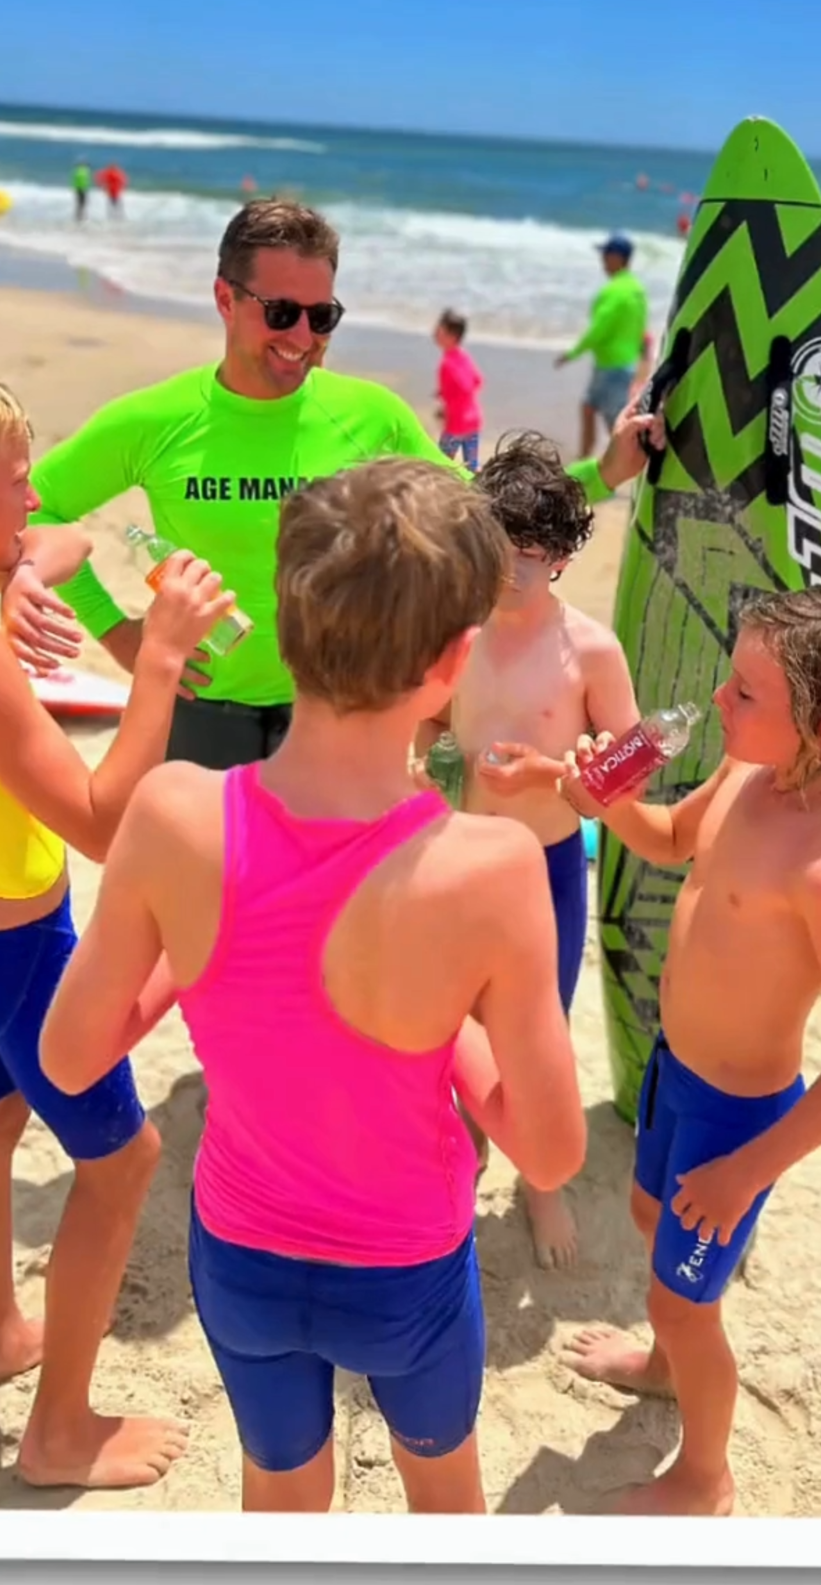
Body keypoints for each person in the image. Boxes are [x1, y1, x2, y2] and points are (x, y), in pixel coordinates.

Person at [38, 458, 587, 1515]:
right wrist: (452, 1033)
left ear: (285, 631)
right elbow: (552, 1148)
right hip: (407, 1267)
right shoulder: (492, 865)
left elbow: (70, 1056)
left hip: (241, 1251)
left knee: (281, 1503)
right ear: (454, 661)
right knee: (444, 1507)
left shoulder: (172, 812)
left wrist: (194, 963)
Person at [0, 346, 234, 1491]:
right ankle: (59, 1426)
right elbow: (107, 825)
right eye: (15, 479)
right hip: (19, 947)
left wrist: (22, 568)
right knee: (122, 1163)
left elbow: (59, 539)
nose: (34, 499)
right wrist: (156, 658)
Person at [24, 197, 660, 774]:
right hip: (200, 713)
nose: (302, 338)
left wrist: (603, 473)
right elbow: (38, 506)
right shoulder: (153, 420)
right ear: (225, 299)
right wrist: (116, 633)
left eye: (320, 316)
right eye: (280, 312)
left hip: (334, 715)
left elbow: (485, 511)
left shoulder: (370, 415)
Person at [555, 585, 821, 1515]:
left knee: (686, 1299)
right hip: (676, 1070)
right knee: (645, 1215)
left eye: (745, 695)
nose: (718, 701)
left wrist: (746, 1171)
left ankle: (704, 1477)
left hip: (739, 1118)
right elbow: (675, 838)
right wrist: (607, 802)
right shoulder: (753, 777)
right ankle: (663, 1367)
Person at [420, 431, 642, 1268]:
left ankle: (539, 1185)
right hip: (458, 857)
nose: (511, 571)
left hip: (545, 869)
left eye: (531, 555)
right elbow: (431, 714)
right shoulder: (456, 627)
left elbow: (633, 762)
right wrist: (423, 748)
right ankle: (464, 1150)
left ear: (562, 556)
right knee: (449, 1015)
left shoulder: (588, 648)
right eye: (497, 551)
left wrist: (562, 772)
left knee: (535, 1025)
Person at [554, 233, 651, 462]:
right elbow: (641, 329)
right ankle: (584, 459)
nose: (603, 260)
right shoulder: (637, 290)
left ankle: (628, 466)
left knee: (617, 426)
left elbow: (598, 330)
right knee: (588, 408)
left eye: (606, 255)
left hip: (612, 367)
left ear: (618, 258)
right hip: (623, 364)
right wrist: (642, 362)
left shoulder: (614, 292)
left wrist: (571, 354)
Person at [433, 308, 484, 472]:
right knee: (472, 468)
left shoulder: (446, 364)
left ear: (451, 336)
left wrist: (445, 409)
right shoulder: (463, 356)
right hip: (473, 420)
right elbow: (477, 381)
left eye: (439, 329)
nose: (434, 332)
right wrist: (443, 392)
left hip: (456, 424)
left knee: (440, 467)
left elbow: (464, 387)